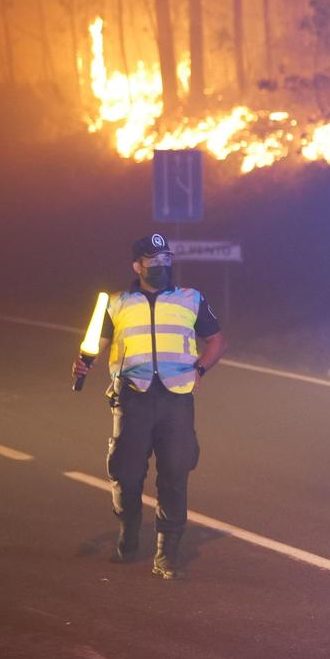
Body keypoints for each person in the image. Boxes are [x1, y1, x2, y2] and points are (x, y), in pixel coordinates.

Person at [72, 234, 226, 579]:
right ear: (137, 266)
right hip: (132, 397)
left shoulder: (191, 299)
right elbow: (96, 345)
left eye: (166, 258)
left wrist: (199, 368)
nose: (162, 265)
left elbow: (216, 340)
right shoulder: (116, 304)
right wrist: (83, 364)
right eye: (153, 260)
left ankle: (166, 553)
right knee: (126, 475)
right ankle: (128, 533)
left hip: (175, 400)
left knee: (174, 474)